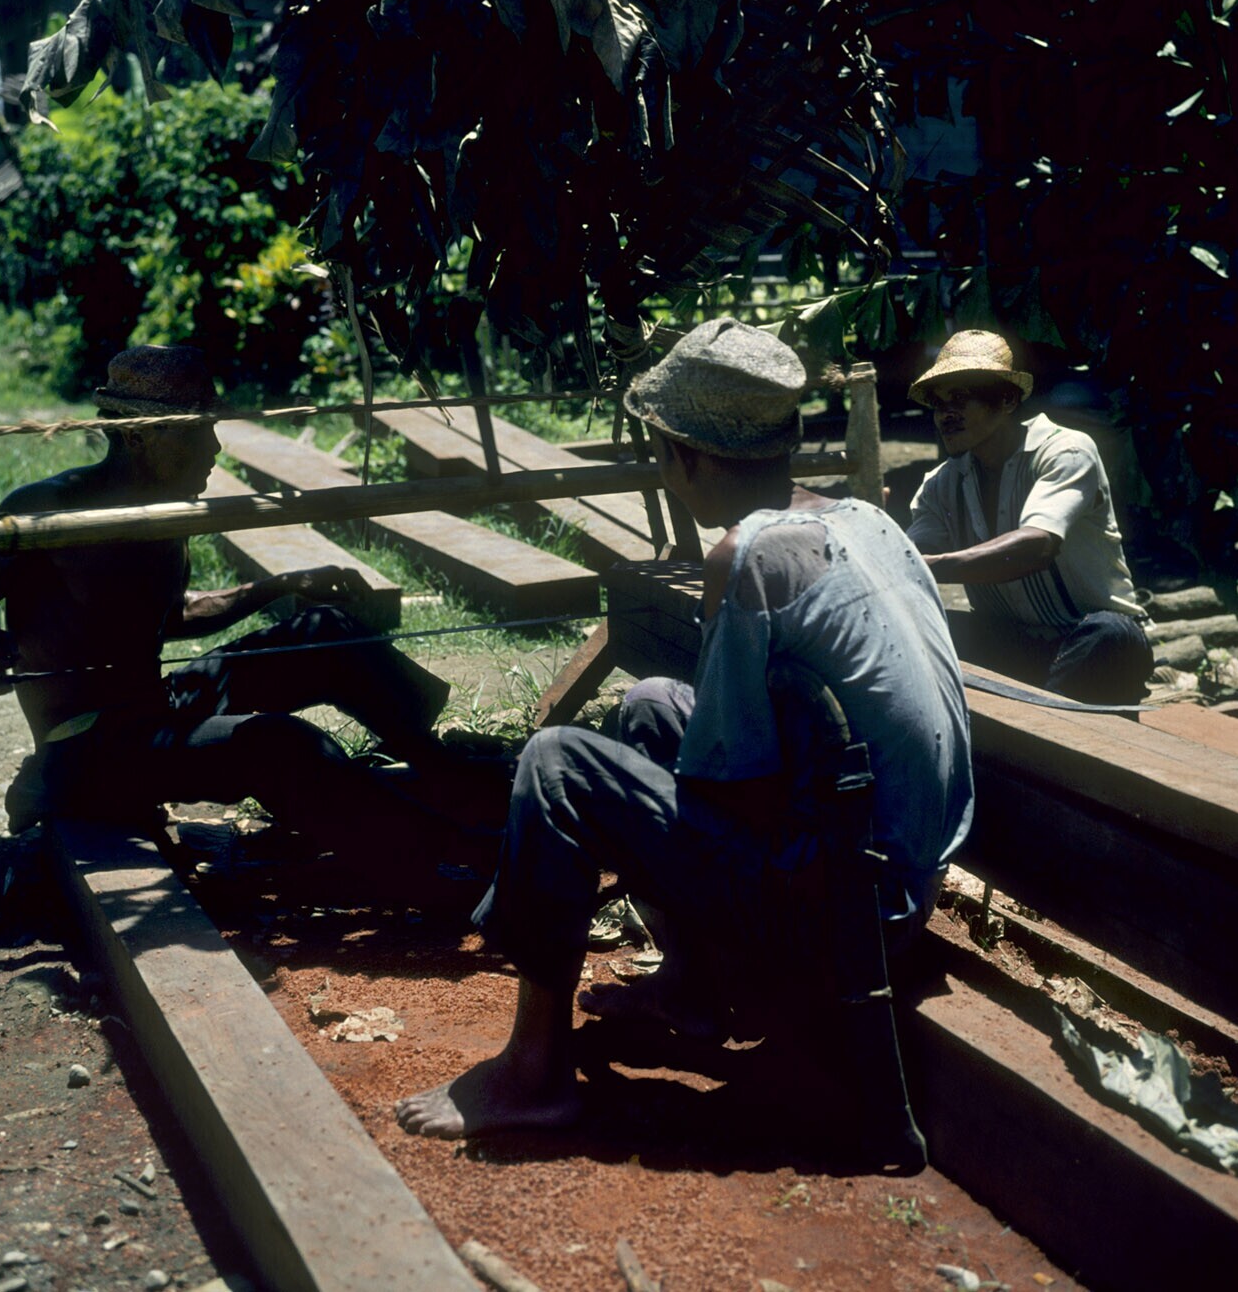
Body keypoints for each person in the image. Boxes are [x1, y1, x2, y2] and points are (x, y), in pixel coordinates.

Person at [396, 317, 973, 1141]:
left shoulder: (748, 556)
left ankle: (533, 1075)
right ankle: (690, 989)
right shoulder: (866, 520)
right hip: (905, 880)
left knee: (558, 764)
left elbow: (727, 788)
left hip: (852, 914)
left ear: (684, 457)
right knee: (652, 703)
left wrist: (614, 829)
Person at [0, 344, 465, 844]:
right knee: (279, 744)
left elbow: (171, 613)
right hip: (90, 748)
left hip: (156, 708)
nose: (214, 447)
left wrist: (282, 586)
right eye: (196, 431)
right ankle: (438, 847)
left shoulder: (166, 508)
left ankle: (438, 765)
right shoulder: (48, 508)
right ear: (137, 435)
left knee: (327, 633)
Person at [904, 329, 1153, 704]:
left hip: (1086, 642)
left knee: (1112, 634)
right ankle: (1030, 713)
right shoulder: (940, 485)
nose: (946, 415)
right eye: (938, 405)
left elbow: (1037, 546)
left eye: (960, 398)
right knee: (921, 628)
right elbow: (912, 554)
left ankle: (1038, 719)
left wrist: (928, 566)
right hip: (1012, 645)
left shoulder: (1065, 451)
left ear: (1006, 400)